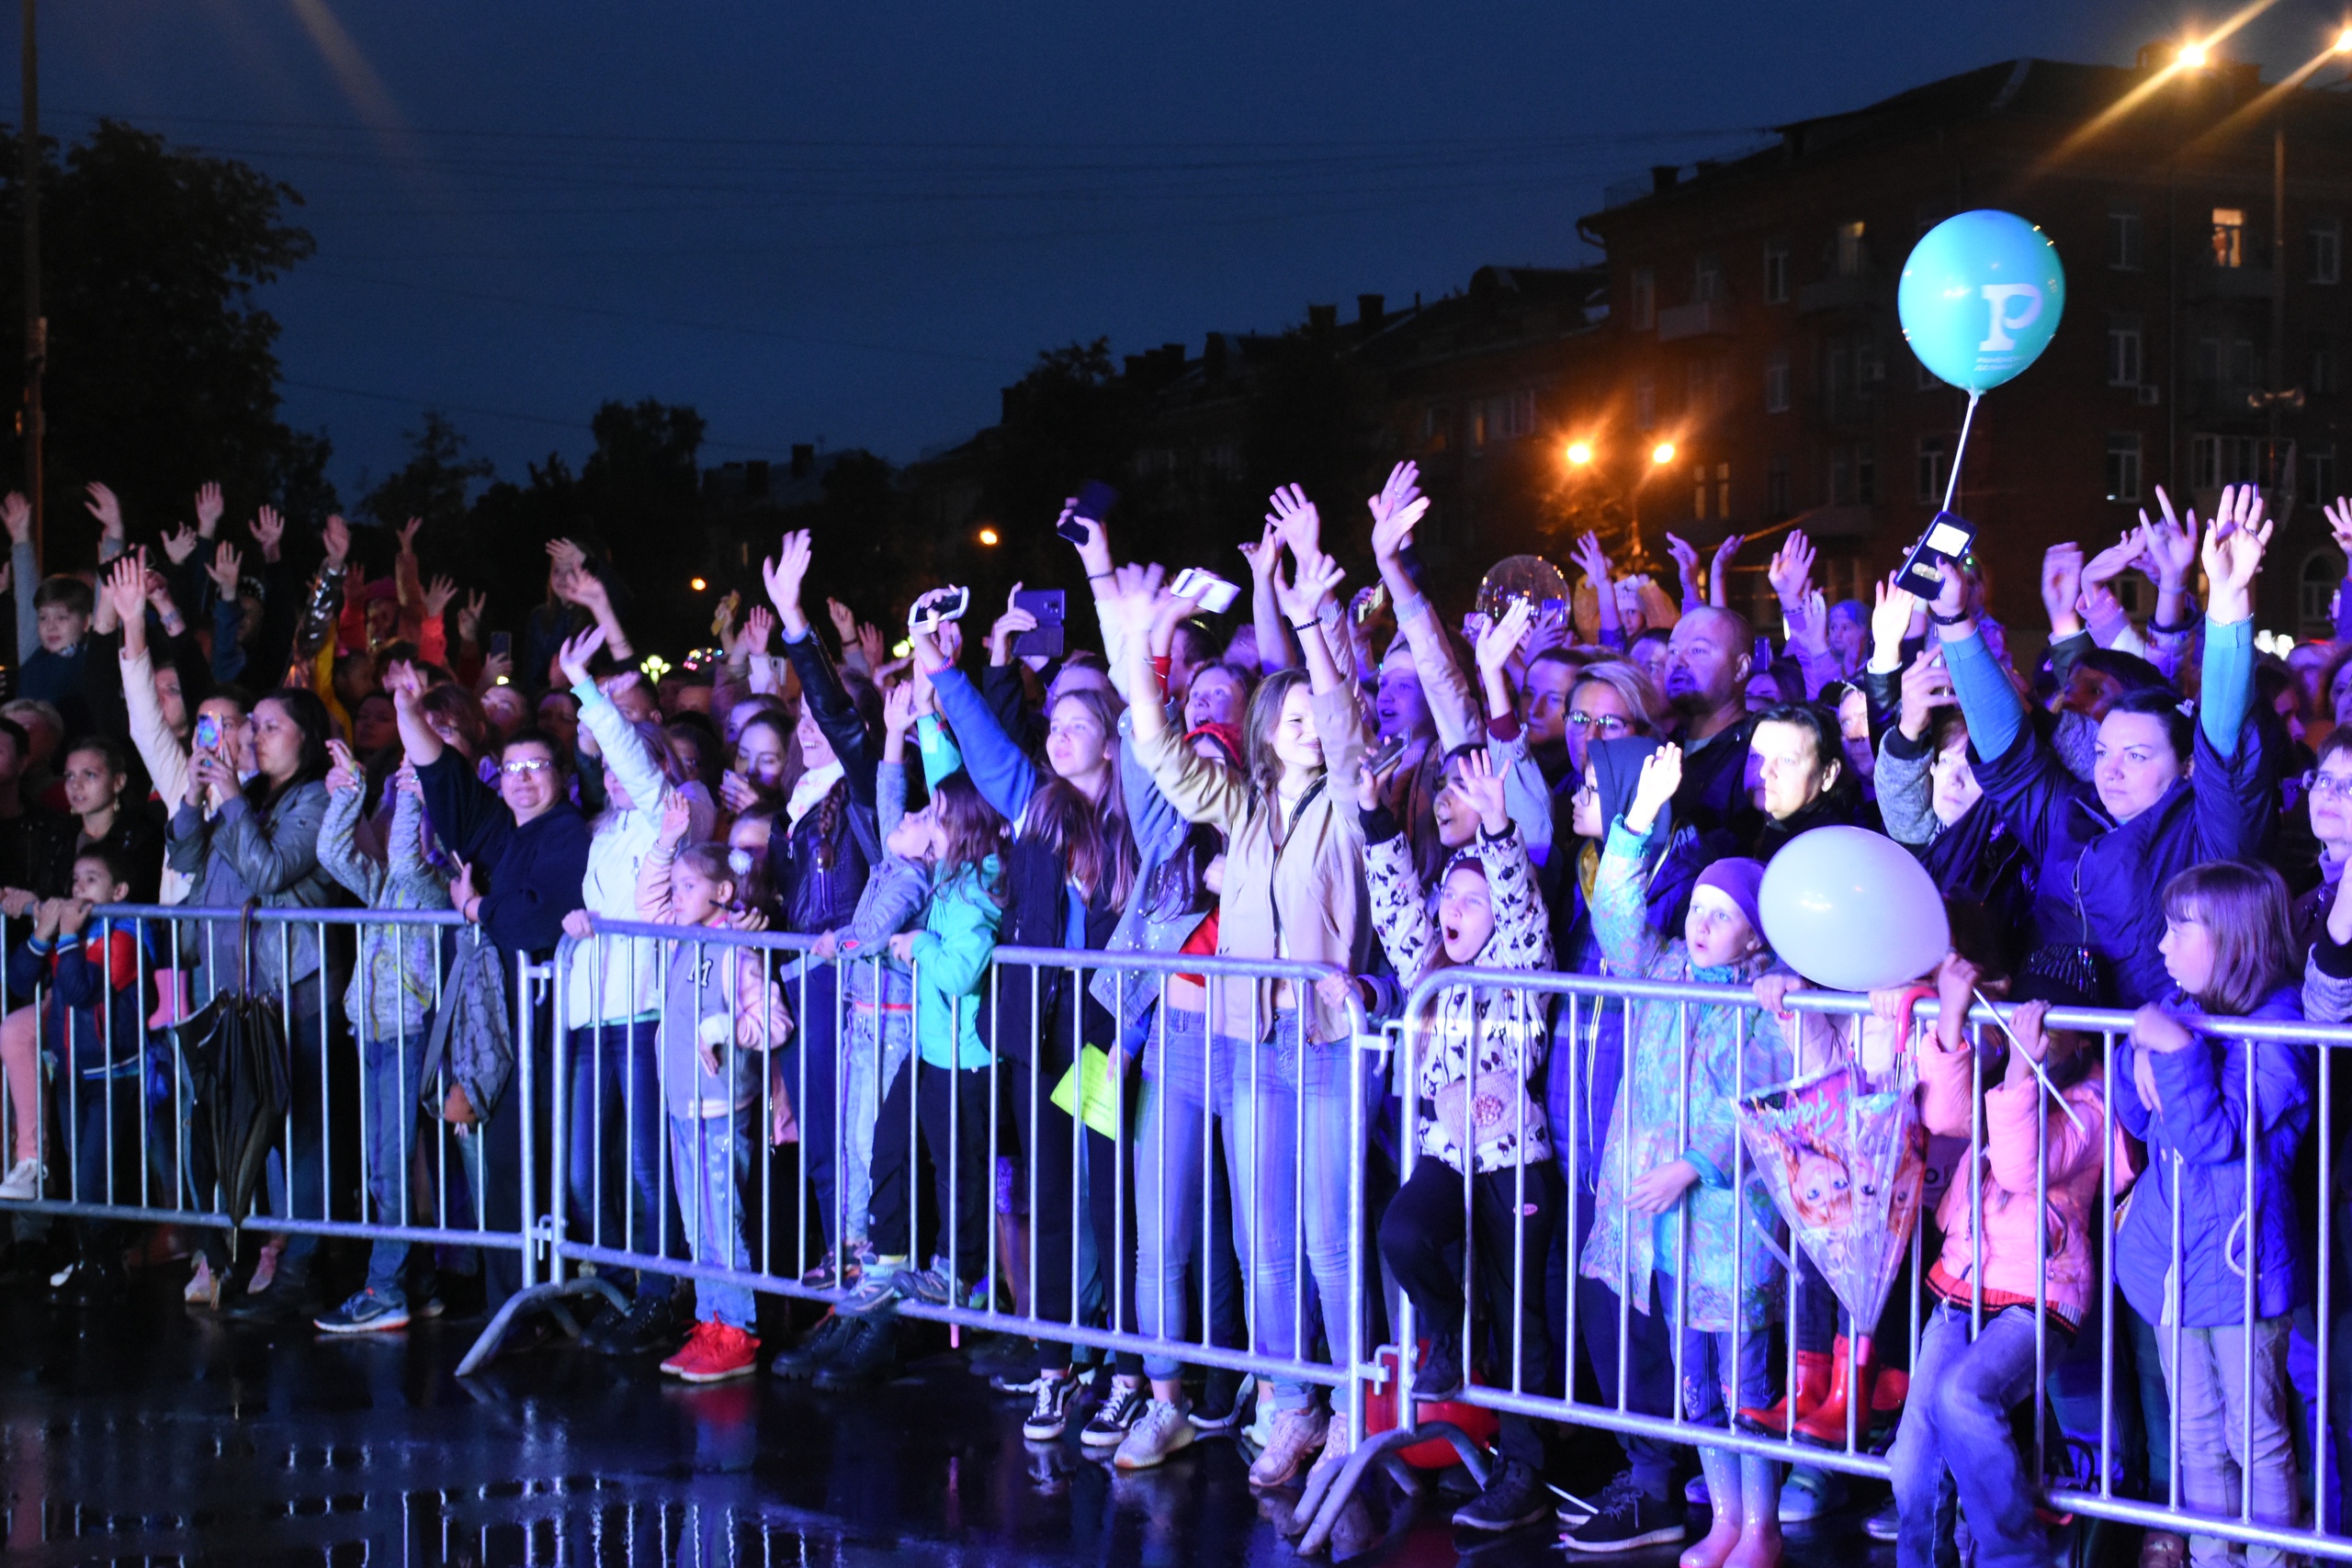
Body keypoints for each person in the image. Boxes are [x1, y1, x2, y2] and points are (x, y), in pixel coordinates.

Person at [1117, 536, 1372, 1490]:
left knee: (1326, 1242)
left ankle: (1352, 1404)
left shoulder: (1346, 803)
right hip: (1244, 1039)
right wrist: (1154, 644)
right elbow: (1154, 749)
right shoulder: (1244, 806)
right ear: (1266, 731)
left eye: (1316, 712)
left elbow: (1349, 728)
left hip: (1324, 1044)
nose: (1309, 724)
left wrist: (1308, 612)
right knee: (1265, 1246)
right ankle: (1288, 1401)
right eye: (1293, 714)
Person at [1570, 742, 1791, 1566]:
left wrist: (1694, 1164)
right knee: (1694, 1386)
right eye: (1696, 905)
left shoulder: (1769, 1001)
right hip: (1666, 1230)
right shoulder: (1660, 968)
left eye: (1721, 913)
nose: (1700, 922)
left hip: (1730, 1229)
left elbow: (1764, 1106)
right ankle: (1726, 1518)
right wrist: (1633, 821)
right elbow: (1616, 912)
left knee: (1746, 1388)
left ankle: (1761, 1526)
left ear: (1753, 934)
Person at [1932, 487, 2277, 1008]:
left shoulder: (2207, 834)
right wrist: (1955, 622)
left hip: (2147, 1055)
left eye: (2136, 756)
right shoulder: (2072, 815)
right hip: (2048, 1050)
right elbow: (2009, 760)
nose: (2109, 772)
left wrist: (2227, 601)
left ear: (2186, 766)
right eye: (2102, 754)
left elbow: (2224, 740)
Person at [1363, 748, 1562, 1532]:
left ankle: (1524, 1470)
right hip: (1448, 1156)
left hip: (1516, 1163)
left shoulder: (1522, 958)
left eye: (1474, 898)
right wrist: (1377, 817)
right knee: (1403, 1233)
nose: (1456, 904)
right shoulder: (1427, 964)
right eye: (1451, 891)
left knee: (1525, 1324)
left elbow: (1516, 901)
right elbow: (1394, 904)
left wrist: (1501, 829)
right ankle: (1451, 1330)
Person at [2115, 862, 2312, 1568]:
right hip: (2174, 1264)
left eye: (2178, 929)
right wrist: (2138, 1048)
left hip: (2241, 1270)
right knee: (2194, 1429)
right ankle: (2208, 1557)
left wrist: (2167, 1047)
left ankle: (2268, 1561)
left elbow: (2214, 1136)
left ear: (2232, 940)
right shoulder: (2175, 1005)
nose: (2162, 946)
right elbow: (2135, 1116)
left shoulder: (2282, 1029)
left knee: (2253, 1431)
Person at [1891, 954, 2111, 1568]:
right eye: (2015, 1019)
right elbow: (1942, 1115)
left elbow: (2019, 1166)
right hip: (1962, 1285)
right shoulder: (2005, 1072)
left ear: (2080, 1034)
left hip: (2039, 1296)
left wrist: (2020, 1070)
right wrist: (1953, 1018)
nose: (2021, 1030)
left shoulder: (2091, 1104)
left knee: (1962, 1396)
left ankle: (2015, 1557)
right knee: (1910, 1457)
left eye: (2040, 1022)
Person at [392, 663, 593, 1316]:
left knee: (544, 1165)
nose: (525, 779)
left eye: (538, 767)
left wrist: (479, 910)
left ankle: (545, 1298)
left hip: (545, 1027)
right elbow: (441, 778)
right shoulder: (496, 826)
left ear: (560, 777)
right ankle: (515, 1300)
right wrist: (407, 712)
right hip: (499, 1027)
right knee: (503, 1168)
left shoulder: (566, 831)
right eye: (512, 769)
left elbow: (539, 913)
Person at [557, 626, 713, 1358]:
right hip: (593, 1014)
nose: (617, 774)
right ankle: (623, 1281)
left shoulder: (665, 816)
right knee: (589, 1168)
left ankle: (660, 1291)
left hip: (644, 1009)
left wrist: (589, 690)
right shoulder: (604, 828)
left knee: (649, 1165)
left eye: (632, 765)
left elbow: (631, 760)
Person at [164, 682, 337, 1307]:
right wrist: (194, 792)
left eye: (266, 726)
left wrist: (232, 797)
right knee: (247, 1118)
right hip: (236, 985)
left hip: (296, 987)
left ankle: (303, 1253)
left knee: (303, 1128)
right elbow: (184, 851)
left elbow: (269, 871)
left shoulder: (314, 799)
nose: (250, 737)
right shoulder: (253, 795)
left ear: (305, 737)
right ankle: (257, 1241)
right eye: (251, 726)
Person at [633, 796, 792, 1383]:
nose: (675, 896)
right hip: (683, 1100)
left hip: (721, 1104)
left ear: (722, 895)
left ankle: (737, 1330)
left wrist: (730, 1027)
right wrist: (669, 839)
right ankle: (710, 1319)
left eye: (688, 886)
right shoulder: (683, 935)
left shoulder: (733, 949)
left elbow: (775, 1022)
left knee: (723, 1222)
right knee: (699, 1222)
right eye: (675, 885)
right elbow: (648, 902)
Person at [311, 739, 452, 1333]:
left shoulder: (435, 879)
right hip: (373, 1026)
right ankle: (414, 1280)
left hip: (410, 1029)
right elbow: (333, 851)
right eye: (400, 785)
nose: (401, 792)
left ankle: (386, 1287)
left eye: (412, 783)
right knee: (384, 1166)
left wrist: (419, 793)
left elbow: (407, 859)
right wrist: (352, 792)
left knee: (393, 1168)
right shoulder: (388, 882)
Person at [0, 846, 146, 1296]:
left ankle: (100, 1264)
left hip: (111, 1075)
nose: (78, 888)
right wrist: (42, 933)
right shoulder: (75, 932)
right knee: (80, 1173)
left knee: (92, 1171)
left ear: (118, 891)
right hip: (69, 1072)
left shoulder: (123, 934)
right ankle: (87, 1258)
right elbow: (21, 982)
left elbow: (81, 991)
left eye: (91, 879)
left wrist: (64, 938)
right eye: (75, 879)